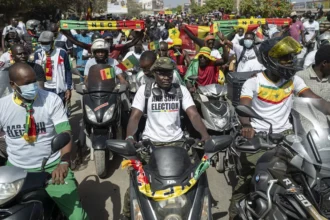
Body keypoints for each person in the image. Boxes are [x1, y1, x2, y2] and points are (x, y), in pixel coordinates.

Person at [228, 36, 330, 220]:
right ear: (269, 58)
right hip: (259, 137)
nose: (289, 62)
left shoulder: (293, 81)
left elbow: (316, 101)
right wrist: (246, 125)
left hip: (288, 137)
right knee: (249, 179)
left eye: (291, 57)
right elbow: (244, 106)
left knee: (304, 177)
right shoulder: (254, 82)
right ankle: (235, 214)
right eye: (285, 58)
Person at [120, 57, 210, 220]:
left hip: (178, 144)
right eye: (162, 73)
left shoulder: (181, 90)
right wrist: (130, 137)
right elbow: (135, 117)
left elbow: (193, 114)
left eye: (169, 73)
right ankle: (127, 214)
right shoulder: (144, 90)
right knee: (138, 184)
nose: (166, 77)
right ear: (154, 74)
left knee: (194, 182)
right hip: (149, 145)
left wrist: (205, 135)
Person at [0, 63, 88, 220]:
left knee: (77, 217)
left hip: (51, 167)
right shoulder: (3, 106)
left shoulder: (51, 100)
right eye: (26, 83)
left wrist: (64, 162)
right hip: (16, 169)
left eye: (34, 81)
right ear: (13, 85)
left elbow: (65, 132)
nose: (32, 86)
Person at [34, 31, 72, 105]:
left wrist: (68, 88)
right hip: (44, 87)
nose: (44, 45)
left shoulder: (61, 53)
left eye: (47, 43)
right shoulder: (38, 54)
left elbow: (67, 71)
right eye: (42, 43)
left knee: (59, 108)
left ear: (52, 42)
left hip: (58, 88)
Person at [61, 29, 144, 60]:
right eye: (107, 40)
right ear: (102, 40)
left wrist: (141, 32)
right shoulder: (95, 47)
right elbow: (77, 42)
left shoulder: (117, 48)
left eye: (111, 40)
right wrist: (65, 33)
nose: (110, 41)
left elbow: (132, 43)